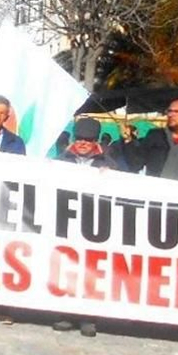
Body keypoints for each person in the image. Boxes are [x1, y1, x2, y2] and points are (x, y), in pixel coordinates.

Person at [52, 116, 114, 336]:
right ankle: (66, 314)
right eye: (79, 138)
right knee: (67, 268)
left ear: (95, 140)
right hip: (67, 222)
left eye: (87, 139)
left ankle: (88, 317)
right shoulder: (62, 159)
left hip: (95, 223)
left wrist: (111, 177)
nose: (82, 143)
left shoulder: (109, 161)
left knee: (91, 271)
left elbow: (125, 183)